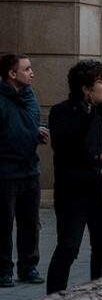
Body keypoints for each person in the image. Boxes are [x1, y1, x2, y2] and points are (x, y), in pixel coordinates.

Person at [45, 60, 102, 293]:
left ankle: (97, 295)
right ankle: (52, 299)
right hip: (72, 192)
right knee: (69, 247)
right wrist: (88, 112)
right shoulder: (61, 111)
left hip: (101, 188)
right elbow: (64, 144)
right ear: (85, 89)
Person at [0, 53, 49, 287]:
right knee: (4, 223)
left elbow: (25, 125)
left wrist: (37, 133)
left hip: (30, 170)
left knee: (30, 223)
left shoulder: (30, 96)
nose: (32, 73)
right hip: (6, 173)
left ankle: (28, 266)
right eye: (27, 69)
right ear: (12, 74)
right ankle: (3, 270)